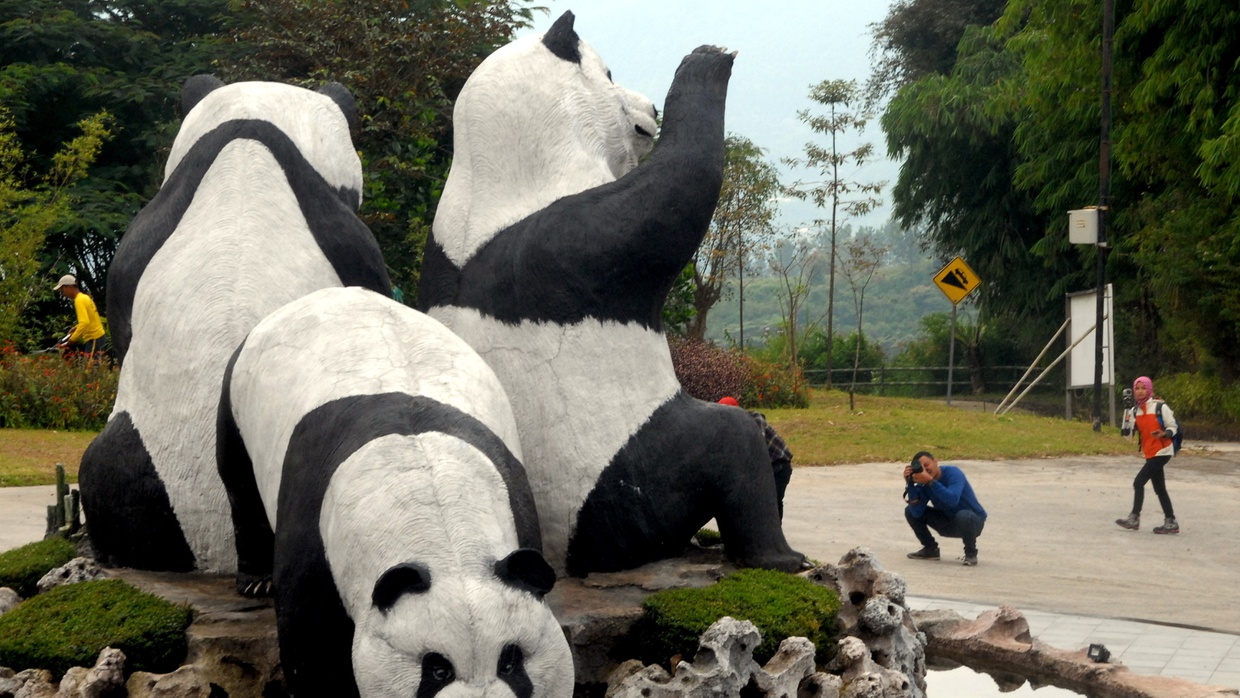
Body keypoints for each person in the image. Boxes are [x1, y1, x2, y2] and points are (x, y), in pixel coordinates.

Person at [1115, 376, 1180, 534]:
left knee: (1138, 482)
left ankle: (1134, 518)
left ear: (1149, 389)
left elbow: (1173, 426)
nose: (1140, 391)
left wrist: (1164, 434)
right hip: (1150, 452)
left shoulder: (1159, 407)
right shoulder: (1134, 411)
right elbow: (1127, 436)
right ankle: (1170, 521)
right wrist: (1126, 414)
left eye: (1143, 388)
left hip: (1163, 450)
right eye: (1137, 388)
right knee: (1160, 489)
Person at [903, 450, 987, 566]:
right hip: (948, 522)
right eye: (921, 468)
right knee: (909, 510)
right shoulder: (924, 483)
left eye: (927, 465)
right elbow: (916, 512)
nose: (925, 470)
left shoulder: (954, 473)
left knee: (963, 515)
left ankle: (970, 554)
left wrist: (931, 482)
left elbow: (952, 500)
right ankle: (930, 549)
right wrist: (910, 484)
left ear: (936, 462)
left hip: (972, 522)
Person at [719, 396, 793, 518]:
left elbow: (756, 446)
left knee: (772, 503)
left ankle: (775, 534)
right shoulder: (732, 429)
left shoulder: (755, 420)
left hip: (779, 467)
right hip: (765, 469)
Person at [53, 274, 106, 358]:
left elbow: (84, 322)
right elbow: (89, 319)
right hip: (97, 337)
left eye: (63, 290)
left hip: (94, 338)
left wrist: (72, 339)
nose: (63, 293)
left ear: (69, 287)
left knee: (90, 368)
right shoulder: (84, 297)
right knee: (91, 367)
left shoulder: (79, 300)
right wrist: (75, 328)